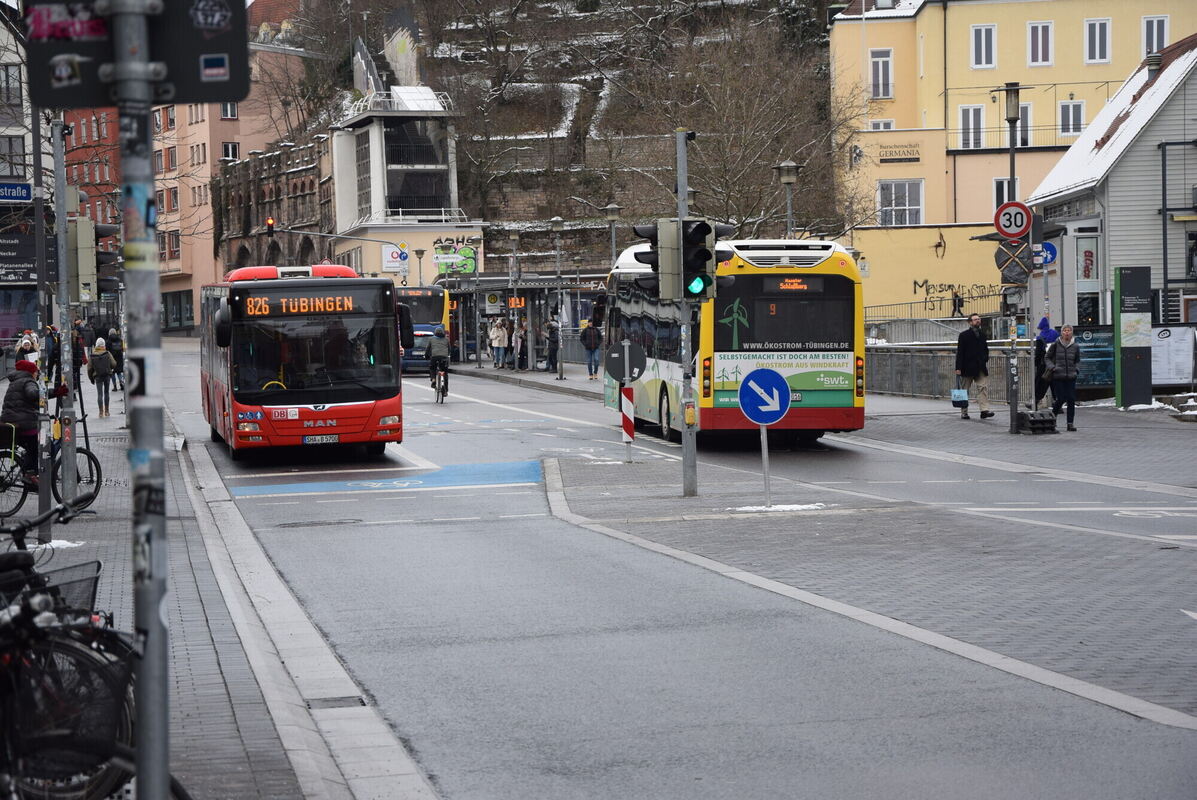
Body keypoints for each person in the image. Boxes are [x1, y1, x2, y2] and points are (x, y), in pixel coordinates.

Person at [1, 360, 64, 481]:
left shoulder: (15, 381)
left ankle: (28, 469)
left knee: (32, 446)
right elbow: (32, 394)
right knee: (43, 444)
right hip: (23, 423)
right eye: (36, 372)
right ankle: (31, 474)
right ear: (30, 372)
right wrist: (56, 392)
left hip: (10, 422)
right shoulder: (28, 381)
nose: (37, 374)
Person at [954, 312, 994, 420]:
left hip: (980, 366)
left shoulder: (982, 334)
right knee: (964, 390)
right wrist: (958, 368)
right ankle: (964, 412)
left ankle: (984, 410)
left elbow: (985, 349)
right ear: (970, 322)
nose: (978, 321)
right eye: (975, 319)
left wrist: (985, 358)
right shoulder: (963, 335)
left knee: (983, 388)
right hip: (967, 367)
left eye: (979, 319)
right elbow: (960, 352)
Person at [1046, 324, 1082, 432]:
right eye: (1065, 330)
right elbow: (1047, 357)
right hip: (1058, 376)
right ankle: (1053, 418)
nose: (1067, 332)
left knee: (1071, 399)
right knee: (1060, 399)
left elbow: (1077, 360)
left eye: (1069, 330)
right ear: (1061, 333)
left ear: (1071, 332)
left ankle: (1070, 424)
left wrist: (1076, 370)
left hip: (1071, 376)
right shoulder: (1055, 344)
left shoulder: (1075, 346)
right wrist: (1052, 367)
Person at [1031, 317, 1058, 410]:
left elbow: (1038, 353)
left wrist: (1035, 363)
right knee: (1054, 384)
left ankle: (1036, 401)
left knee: (1041, 383)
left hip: (1043, 365)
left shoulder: (1040, 337)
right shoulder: (1055, 334)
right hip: (1055, 363)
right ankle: (1057, 403)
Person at [87, 337, 117, 417]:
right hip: (107, 375)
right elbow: (114, 364)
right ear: (104, 345)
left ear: (96, 345)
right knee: (106, 393)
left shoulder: (92, 355)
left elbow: (89, 369)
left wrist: (91, 379)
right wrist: (109, 368)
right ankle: (107, 411)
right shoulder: (107, 353)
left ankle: (101, 412)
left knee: (99, 394)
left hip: (97, 377)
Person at [426, 325, 451, 393]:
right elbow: (449, 349)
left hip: (434, 357)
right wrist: (447, 355)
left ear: (435, 333)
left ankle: (433, 379)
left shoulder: (431, 339)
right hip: (444, 357)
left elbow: (428, 349)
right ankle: (445, 389)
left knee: (432, 368)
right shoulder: (446, 339)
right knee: (445, 373)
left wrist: (426, 356)